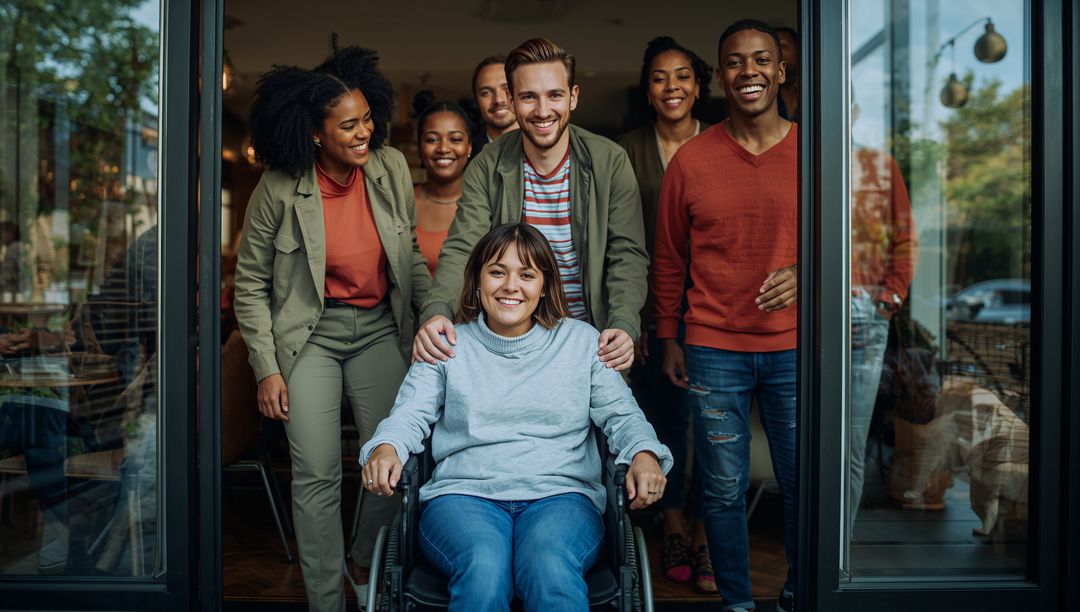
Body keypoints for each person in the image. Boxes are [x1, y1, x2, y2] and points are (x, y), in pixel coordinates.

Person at [361, 223, 672, 611]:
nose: (511, 286)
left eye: (527, 275)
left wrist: (643, 453)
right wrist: (387, 447)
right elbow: (408, 414)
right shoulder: (445, 346)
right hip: (462, 496)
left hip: (562, 497)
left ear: (544, 286)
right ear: (477, 281)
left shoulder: (582, 343)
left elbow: (622, 416)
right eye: (497, 272)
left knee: (549, 566)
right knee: (484, 566)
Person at [233, 38, 430, 612]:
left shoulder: (390, 168)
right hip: (310, 339)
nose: (365, 132)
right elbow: (250, 285)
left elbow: (412, 258)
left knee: (393, 457)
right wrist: (266, 370)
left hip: (379, 328)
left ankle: (365, 560)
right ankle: (325, 601)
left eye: (367, 118)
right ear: (316, 133)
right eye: (348, 125)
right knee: (315, 471)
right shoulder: (278, 188)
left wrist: (436, 319)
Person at [652, 19, 798, 612]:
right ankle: (737, 603)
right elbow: (668, 257)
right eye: (735, 62)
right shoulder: (691, 161)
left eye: (761, 59)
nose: (748, 71)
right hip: (713, 348)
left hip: (794, 347)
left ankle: (798, 593)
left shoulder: (815, 153)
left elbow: (849, 242)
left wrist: (809, 273)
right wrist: (669, 336)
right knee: (721, 488)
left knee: (801, 482)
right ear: (721, 76)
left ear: (780, 70)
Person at [414, 38, 649, 376]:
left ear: (573, 97)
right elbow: (463, 247)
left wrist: (623, 323)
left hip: (592, 344)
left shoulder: (610, 161)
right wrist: (437, 311)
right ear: (511, 101)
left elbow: (627, 255)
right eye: (528, 97)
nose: (542, 110)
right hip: (508, 344)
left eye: (554, 95)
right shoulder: (487, 164)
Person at [618, 35, 716, 593]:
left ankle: (706, 531)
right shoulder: (627, 150)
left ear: (698, 86)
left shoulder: (720, 140)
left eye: (682, 76)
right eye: (659, 77)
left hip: (714, 303)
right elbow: (620, 240)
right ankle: (674, 523)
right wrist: (638, 317)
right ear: (647, 90)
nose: (671, 86)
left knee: (713, 420)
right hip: (652, 304)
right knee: (670, 418)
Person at [848, 95, 918, 531]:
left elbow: (906, 238)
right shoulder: (792, 156)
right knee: (800, 440)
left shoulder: (879, 166)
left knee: (851, 442)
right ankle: (802, 549)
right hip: (800, 318)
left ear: (854, 110)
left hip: (866, 313)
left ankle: (836, 550)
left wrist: (888, 300)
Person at [411, 91, 473, 275]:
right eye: (432, 139)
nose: (444, 148)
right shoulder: (401, 203)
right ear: (420, 147)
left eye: (455, 139)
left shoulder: (486, 205)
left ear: (469, 147)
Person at [469, 54, 518, 159]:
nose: (498, 100)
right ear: (476, 100)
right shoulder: (466, 155)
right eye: (486, 92)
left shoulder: (546, 145)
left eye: (507, 89)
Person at [775, 26, 799, 122]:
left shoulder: (814, 94)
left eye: (783, 46)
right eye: (774, 48)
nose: (778, 52)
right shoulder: (764, 98)